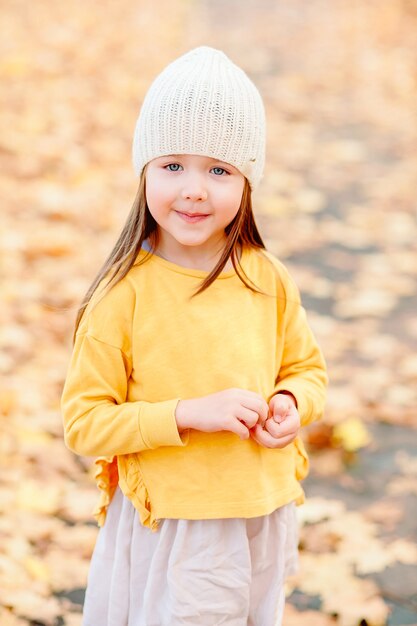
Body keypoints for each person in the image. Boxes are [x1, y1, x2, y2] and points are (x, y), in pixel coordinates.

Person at [61, 46, 327, 626]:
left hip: (260, 510)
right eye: (172, 165)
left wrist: (289, 403)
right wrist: (185, 415)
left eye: (219, 169)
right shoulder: (123, 295)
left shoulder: (267, 278)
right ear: (144, 172)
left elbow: (306, 370)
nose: (195, 189)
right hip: (177, 527)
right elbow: (84, 423)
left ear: (247, 181)